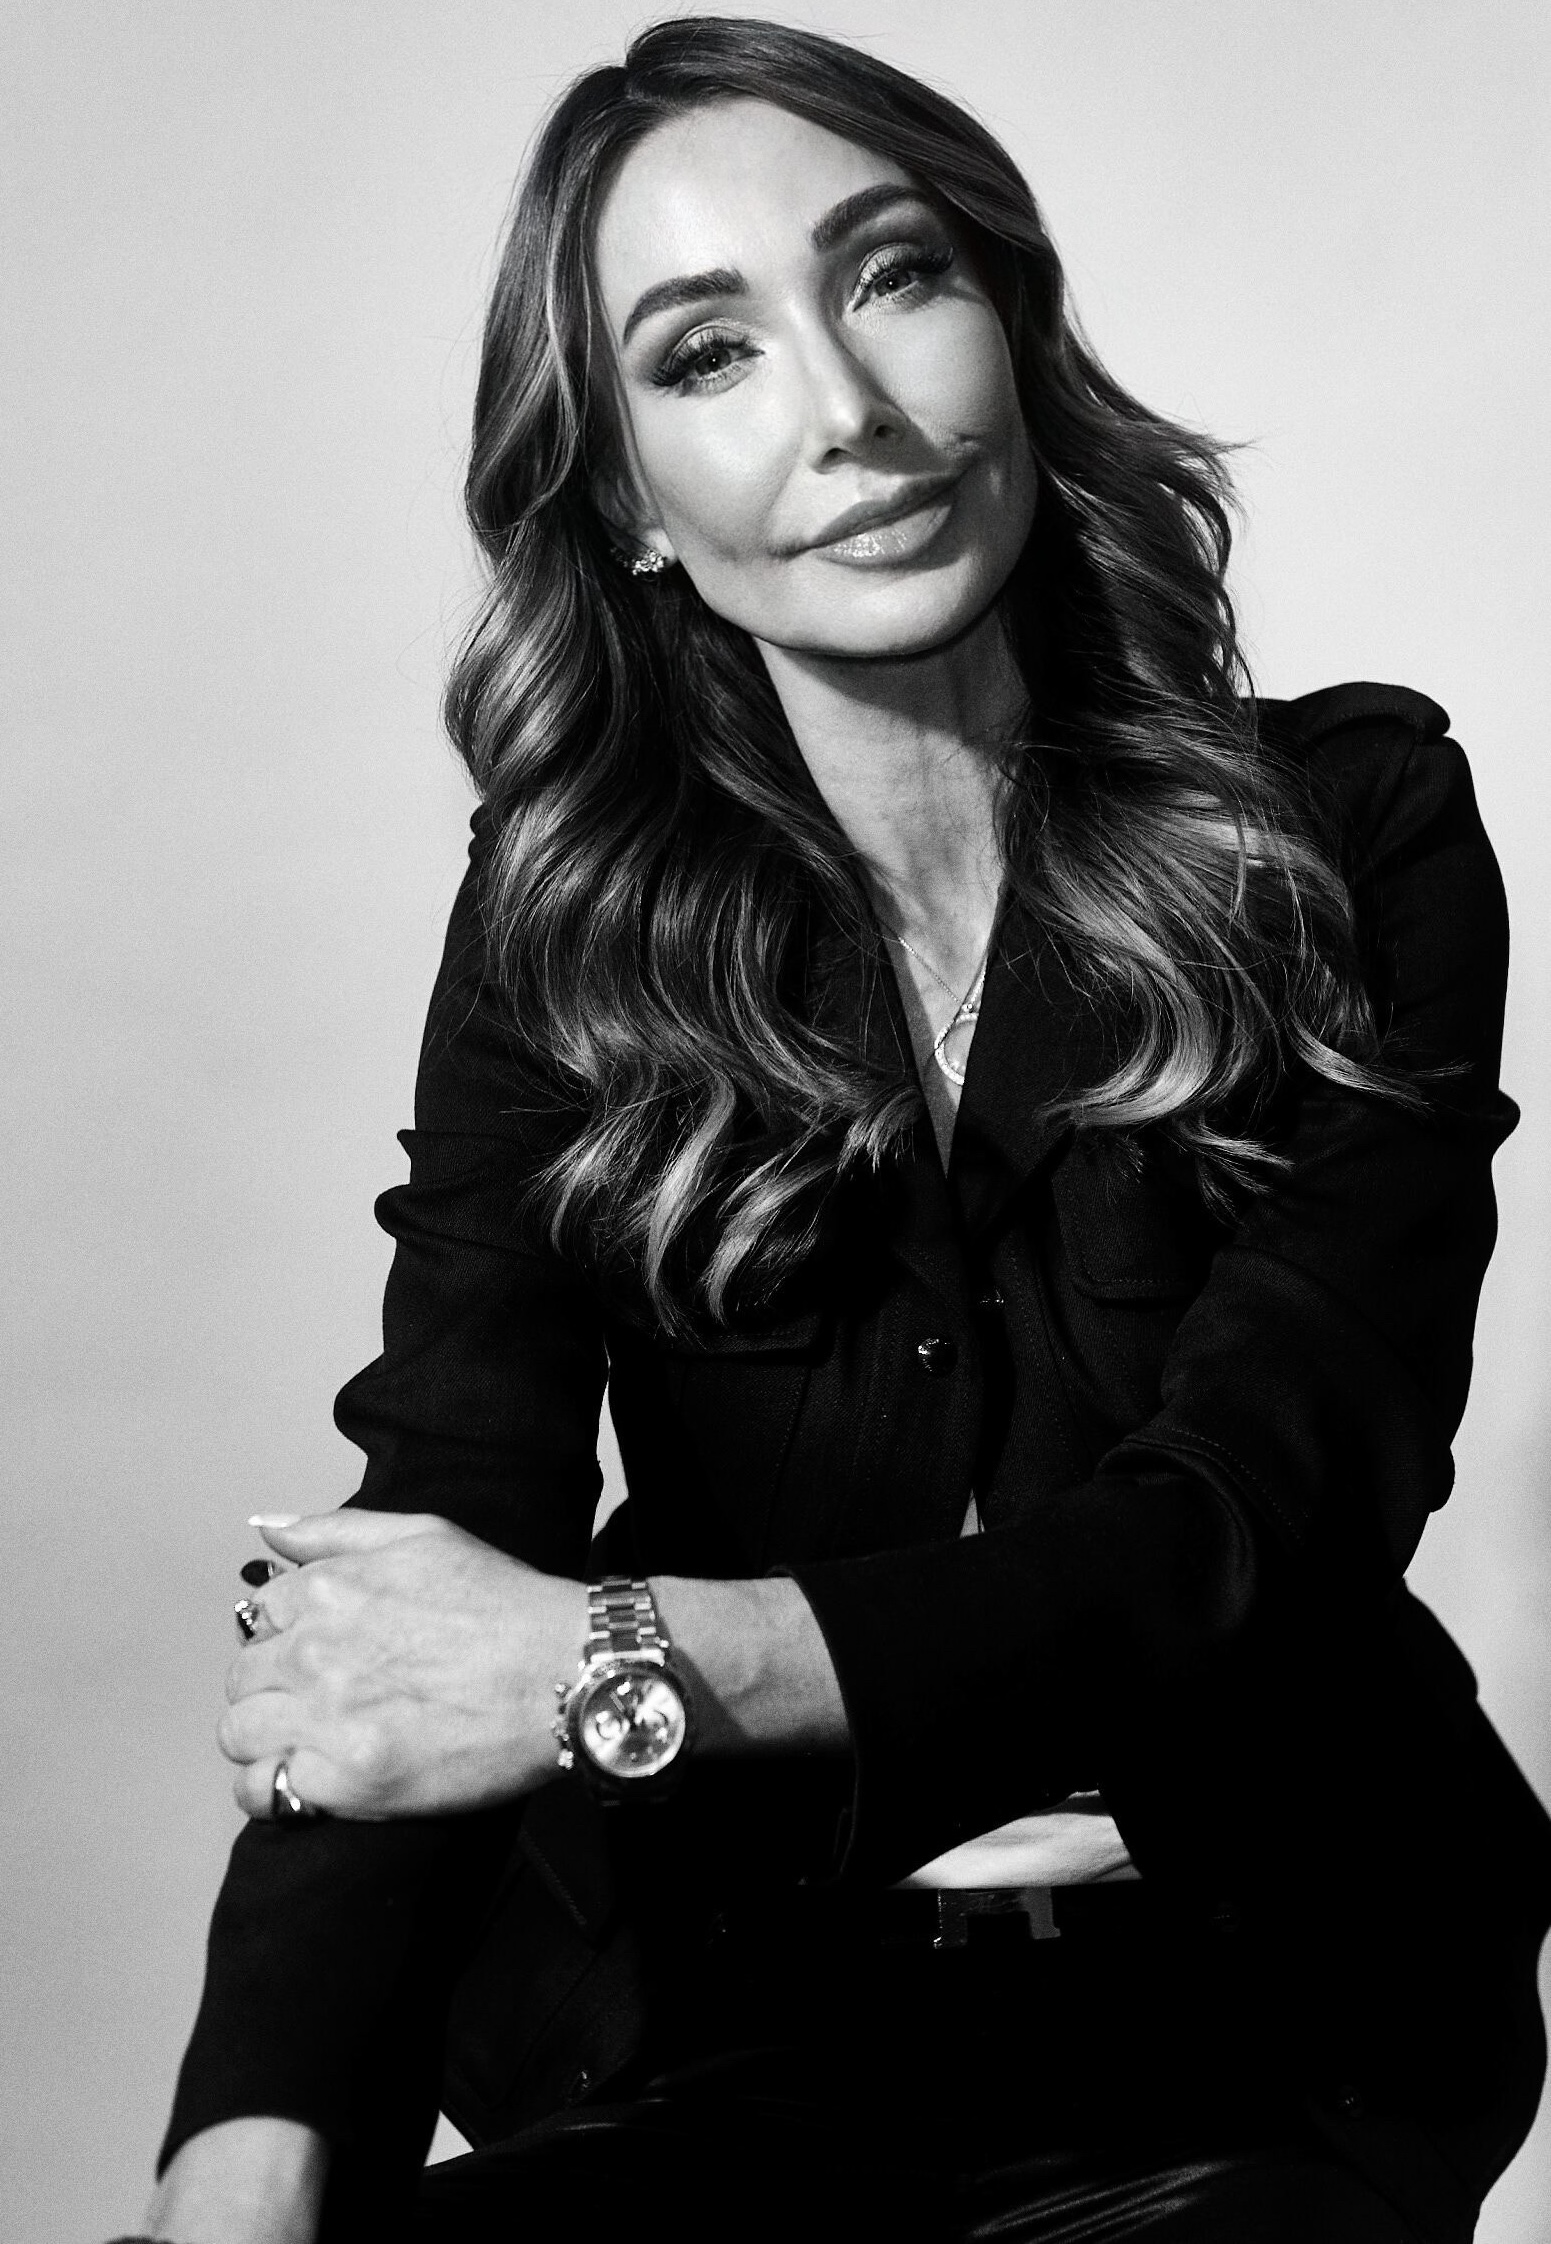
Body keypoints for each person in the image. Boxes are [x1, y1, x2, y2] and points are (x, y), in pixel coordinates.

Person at [135, 18, 1551, 2243]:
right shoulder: (566, 928)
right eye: (706, 354)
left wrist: (618, 1669)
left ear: (1010, 322)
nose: (846, 410)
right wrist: (250, 2155)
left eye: (893, 276)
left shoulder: (1350, 834)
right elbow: (443, 1533)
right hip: (715, 2028)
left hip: (1262, 2037)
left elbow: (1252, 1535)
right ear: (625, 498)